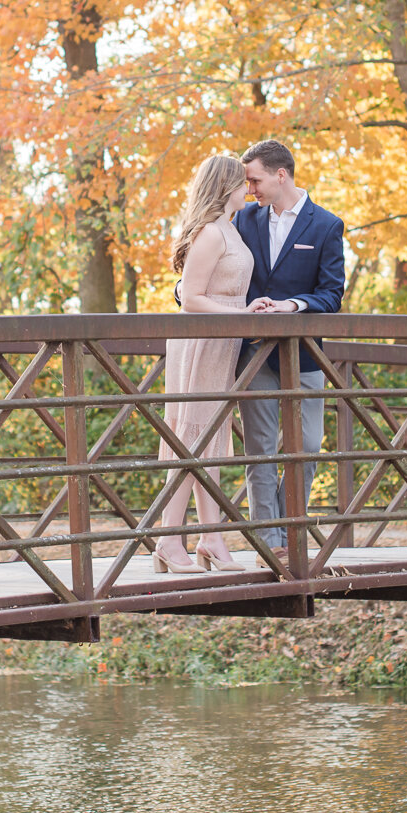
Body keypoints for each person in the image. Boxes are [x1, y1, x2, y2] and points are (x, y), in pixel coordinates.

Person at [234, 139, 345, 549]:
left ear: (281, 175)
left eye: (255, 180)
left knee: (309, 446)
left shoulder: (326, 225)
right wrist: (185, 291)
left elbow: (332, 294)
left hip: (304, 355)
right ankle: (271, 542)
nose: (250, 190)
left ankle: (287, 527)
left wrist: (293, 305)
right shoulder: (242, 220)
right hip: (253, 351)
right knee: (259, 450)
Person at [155, 155, 256, 574]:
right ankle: (167, 539)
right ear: (225, 186)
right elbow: (192, 297)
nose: (248, 189)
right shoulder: (211, 233)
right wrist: (244, 316)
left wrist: (252, 309)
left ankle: (211, 538)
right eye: (242, 183)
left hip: (222, 341)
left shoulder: (230, 228)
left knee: (209, 441)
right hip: (201, 342)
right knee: (192, 439)